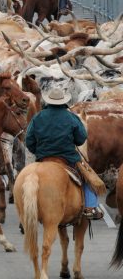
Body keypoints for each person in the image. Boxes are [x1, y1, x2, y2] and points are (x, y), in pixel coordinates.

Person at [25, 88, 103, 220]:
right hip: (68, 158)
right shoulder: (71, 117)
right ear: (63, 102)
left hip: (43, 158)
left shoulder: (38, 117)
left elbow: (29, 141)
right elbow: (81, 139)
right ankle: (90, 208)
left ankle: (25, 212)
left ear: (48, 101)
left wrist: (39, 152)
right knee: (88, 177)